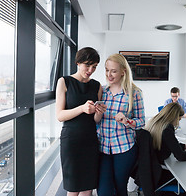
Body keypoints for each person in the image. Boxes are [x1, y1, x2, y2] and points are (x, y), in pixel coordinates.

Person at [55, 47, 106, 196]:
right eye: (87, 65)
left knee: (87, 188)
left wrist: (99, 113)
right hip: (71, 140)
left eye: (94, 67)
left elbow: (96, 121)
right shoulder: (64, 82)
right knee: (73, 188)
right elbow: (60, 115)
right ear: (78, 62)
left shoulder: (97, 86)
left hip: (90, 140)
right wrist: (82, 109)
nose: (90, 70)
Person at [97, 53, 145, 196]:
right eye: (106, 70)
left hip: (124, 148)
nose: (109, 74)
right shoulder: (102, 91)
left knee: (120, 188)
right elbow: (96, 120)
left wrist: (127, 121)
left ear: (123, 71)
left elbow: (141, 121)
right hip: (103, 147)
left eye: (113, 71)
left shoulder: (134, 93)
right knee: (103, 191)